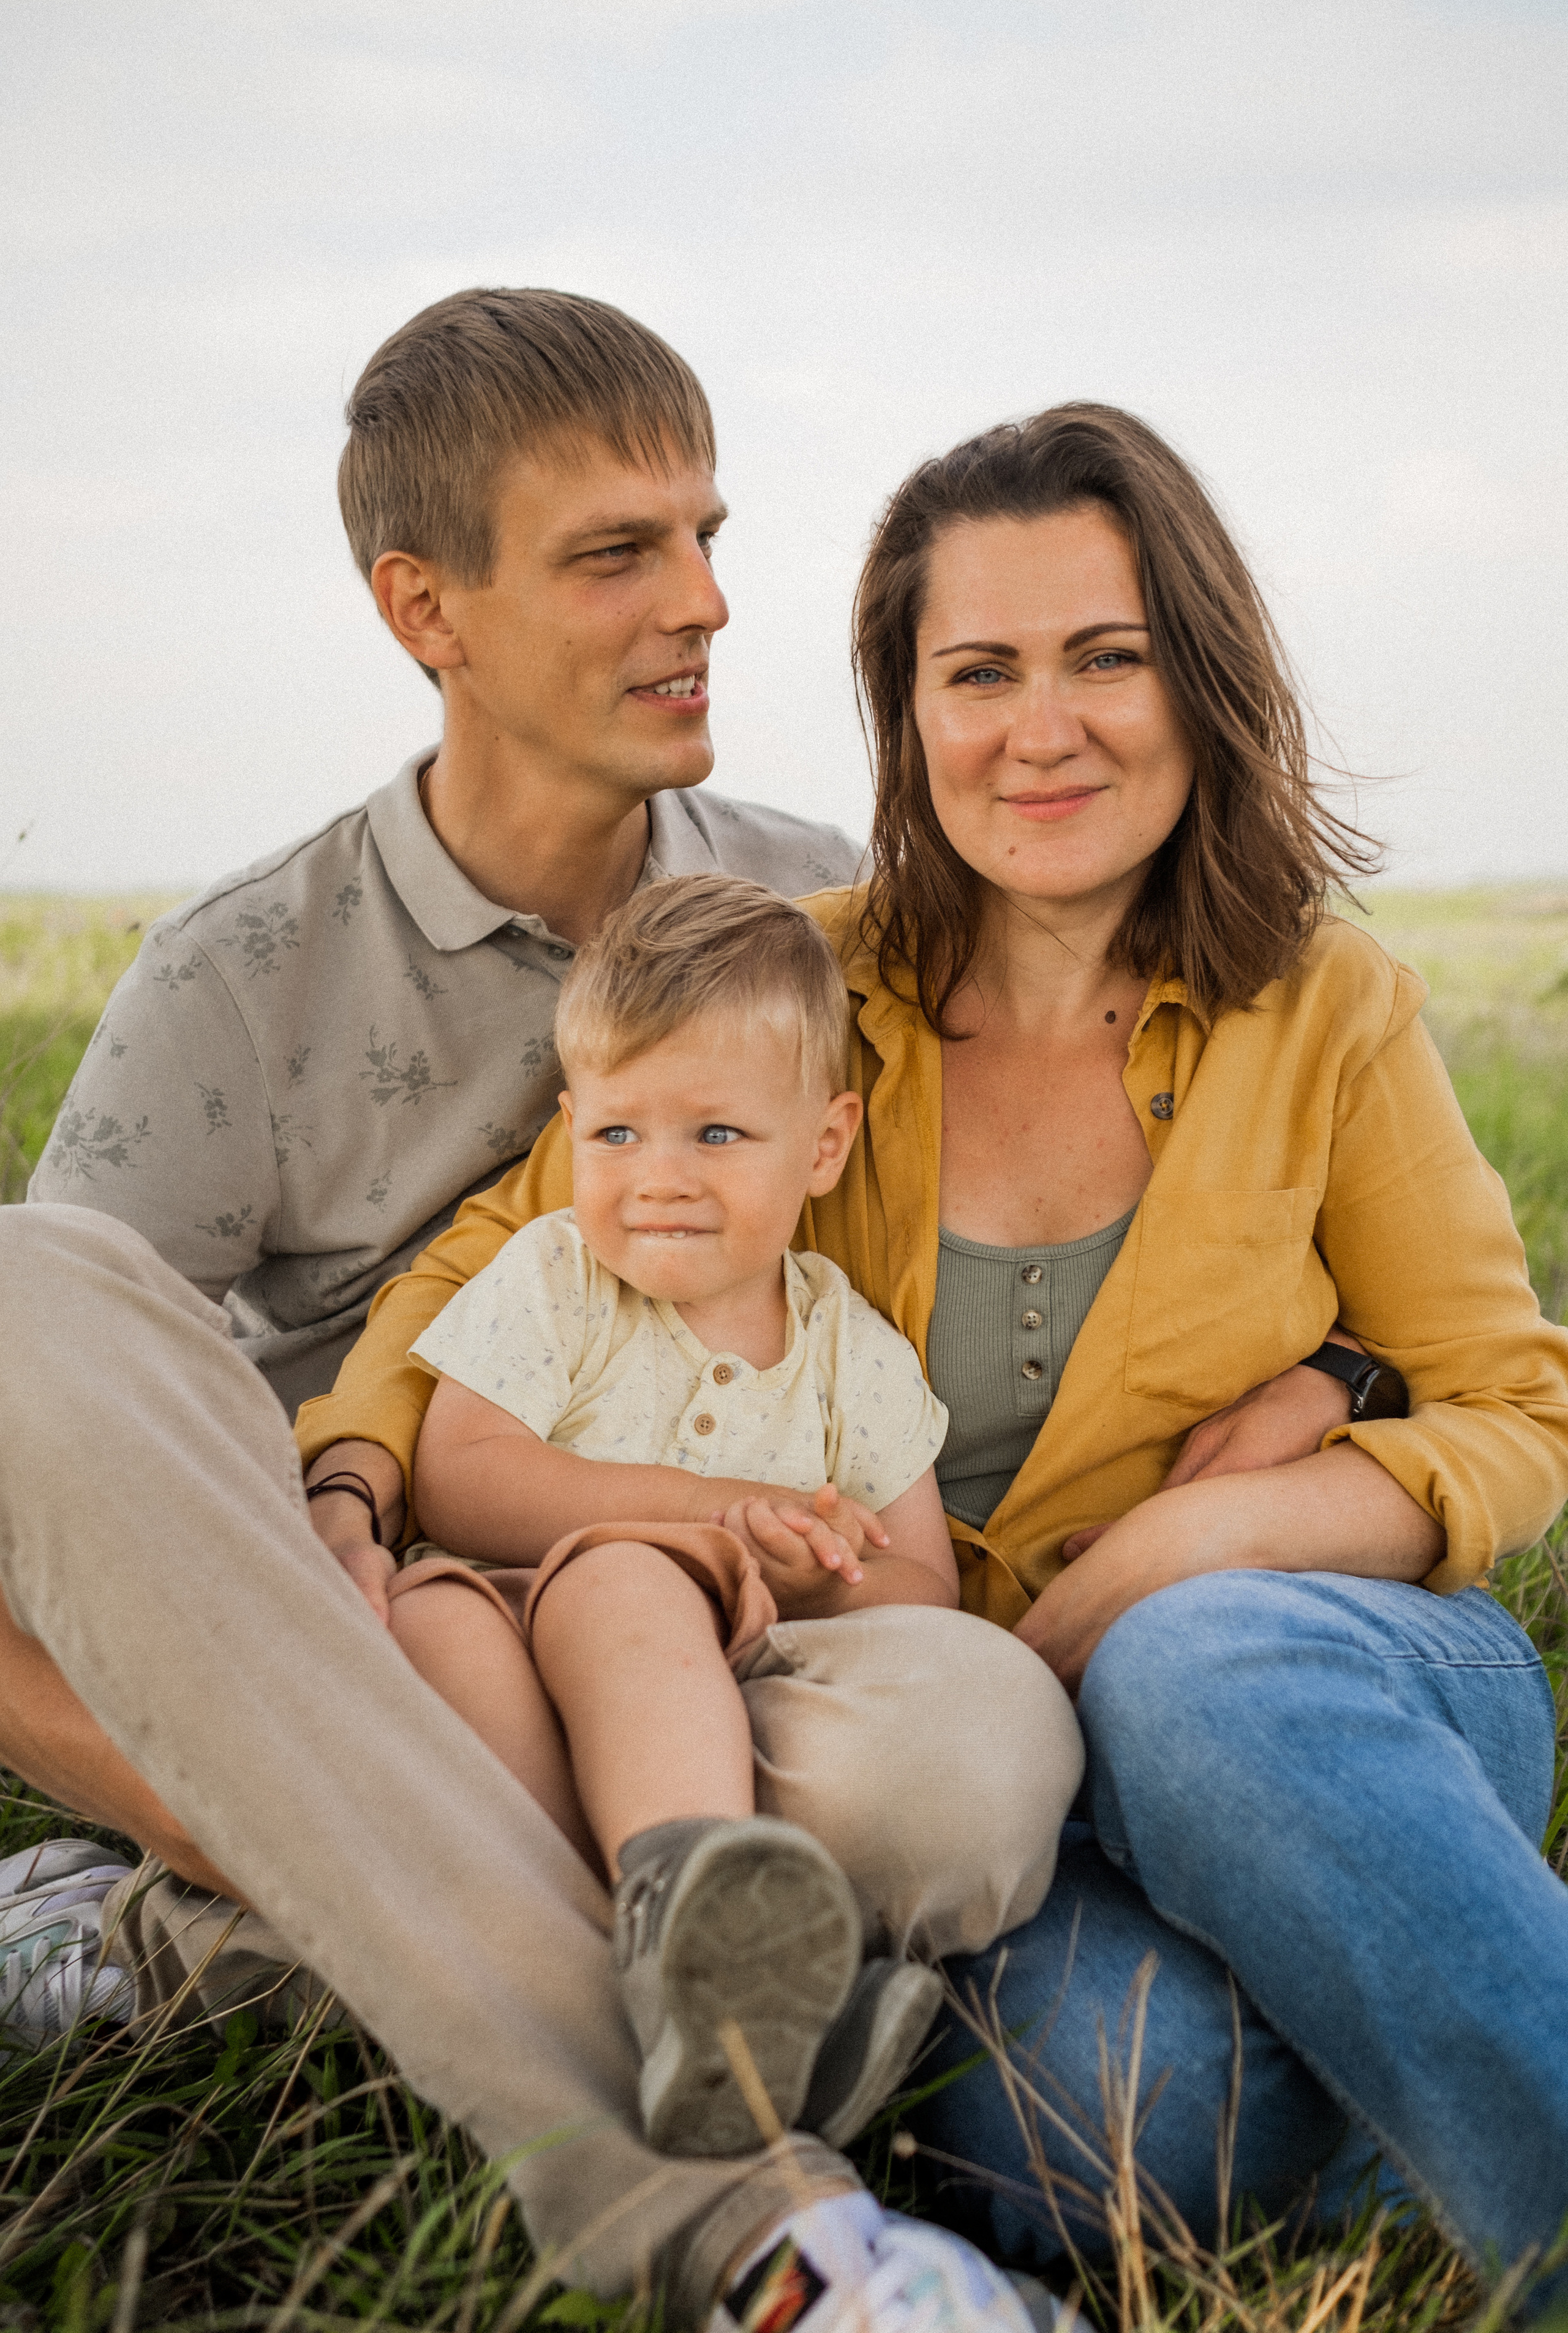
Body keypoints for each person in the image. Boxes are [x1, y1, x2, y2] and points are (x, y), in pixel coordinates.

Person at [306, 404, 1568, 2307]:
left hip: (1318, 1697)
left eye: (1106, 658)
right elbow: (497, 1258)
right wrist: (354, 1469)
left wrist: (1170, 1553)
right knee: (1090, 2110)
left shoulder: (1326, 1006)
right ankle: (1417, 2062)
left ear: (1201, 681)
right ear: (910, 716)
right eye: (978, 672)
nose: (1039, 727)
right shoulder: (794, 998)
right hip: (1004, 1803)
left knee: (1191, 1669)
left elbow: (1511, 1405)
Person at [0, 292, 1095, 2333]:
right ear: (431, 609)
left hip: (729, 1663)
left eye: (707, 536)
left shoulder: (825, 912)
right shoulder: (242, 978)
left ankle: (190, 1950)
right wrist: (253, 1787)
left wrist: (1333, 1391)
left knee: (965, 1776)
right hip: (363, 1647)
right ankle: (770, 2240)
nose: (703, 603)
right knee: (15, 1296)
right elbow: (64, 1479)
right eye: (618, 554)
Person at [378, 874, 1080, 2161]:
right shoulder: (554, 1279)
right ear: (570, 1125)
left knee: (636, 1590)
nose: (658, 1180)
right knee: (466, 1615)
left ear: (823, 1144)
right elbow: (459, 1478)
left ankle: (665, 1970)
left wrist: (810, 1575)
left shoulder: (847, 1353)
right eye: (617, 1135)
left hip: (724, 1683)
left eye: (715, 1137)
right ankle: (697, 1991)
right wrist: (693, 1517)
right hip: (515, 1632)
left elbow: (922, 1580)